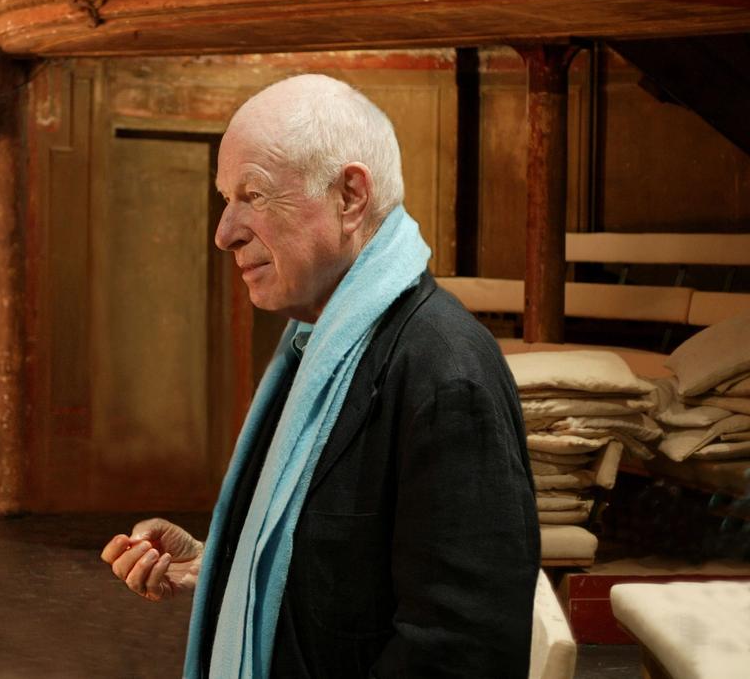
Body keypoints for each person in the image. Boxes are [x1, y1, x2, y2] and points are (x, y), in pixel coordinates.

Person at [100, 74, 539, 678]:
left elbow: (461, 654)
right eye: (227, 198)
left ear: (350, 196)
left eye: (252, 194)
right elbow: (352, 579)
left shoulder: (445, 373)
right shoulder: (321, 346)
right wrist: (220, 568)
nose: (224, 232)